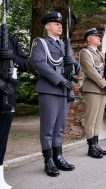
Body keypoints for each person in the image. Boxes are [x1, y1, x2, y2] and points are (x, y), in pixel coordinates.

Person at [31, 12, 81, 177]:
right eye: (55, 23)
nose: (59, 25)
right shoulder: (41, 42)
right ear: (47, 26)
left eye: (60, 23)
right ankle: (48, 160)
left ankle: (58, 156)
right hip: (50, 89)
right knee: (48, 127)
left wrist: (72, 61)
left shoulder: (64, 45)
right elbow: (38, 63)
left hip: (64, 91)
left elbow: (77, 69)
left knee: (59, 127)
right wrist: (59, 80)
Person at [0, 35, 29, 189]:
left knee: (2, 136)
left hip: (8, 92)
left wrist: (13, 57)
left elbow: (25, 64)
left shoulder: (10, 38)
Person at [78, 28, 106, 159]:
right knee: (91, 119)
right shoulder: (85, 53)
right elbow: (91, 71)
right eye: (95, 36)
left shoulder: (101, 54)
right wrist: (104, 84)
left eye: (99, 36)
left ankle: (96, 144)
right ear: (88, 38)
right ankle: (91, 147)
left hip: (102, 90)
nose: (98, 37)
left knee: (98, 120)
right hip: (92, 88)